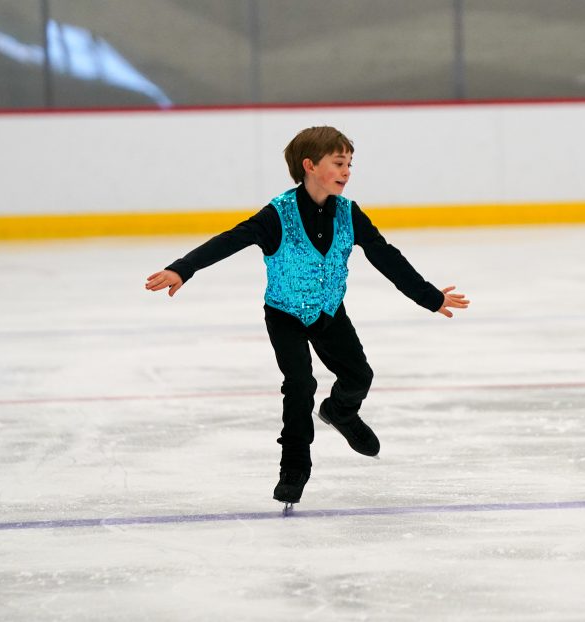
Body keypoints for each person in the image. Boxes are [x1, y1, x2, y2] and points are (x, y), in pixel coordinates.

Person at [145, 126, 469, 506]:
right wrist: (183, 269)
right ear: (310, 165)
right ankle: (294, 466)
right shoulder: (277, 215)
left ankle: (340, 413)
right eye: (338, 162)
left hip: (329, 312)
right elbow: (231, 239)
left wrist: (429, 297)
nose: (347, 170)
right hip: (284, 315)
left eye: (350, 163)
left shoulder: (349, 214)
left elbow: (384, 255)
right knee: (299, 385)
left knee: (359, 376)